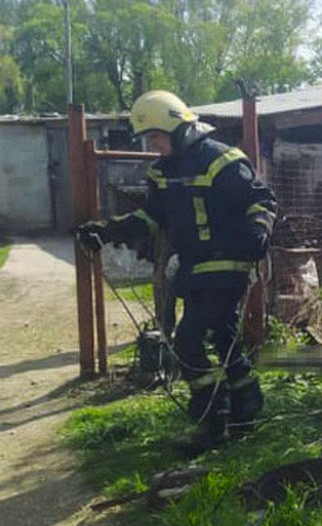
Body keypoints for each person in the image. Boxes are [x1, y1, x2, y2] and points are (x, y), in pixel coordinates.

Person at [77, 89, 275, 449]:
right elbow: (153, 216)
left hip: (229, 264)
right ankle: (246, 408)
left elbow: (260, 201)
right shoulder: (162, 172)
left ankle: (212, 423)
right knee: (224, 337)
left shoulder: (223, 159)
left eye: (156, 137)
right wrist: (108, 231)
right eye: (148, 139)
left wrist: (259, 230)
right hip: (195, 267)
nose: (153, 145)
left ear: (178, 127)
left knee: (187, 341)